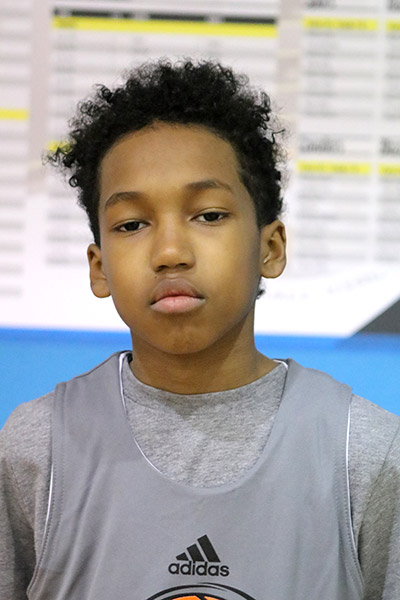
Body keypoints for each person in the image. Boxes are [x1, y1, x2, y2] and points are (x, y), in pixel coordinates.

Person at [0, 59, 399, 600]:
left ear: (270, 248)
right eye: (131, 224)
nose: (170, 251)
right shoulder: (36, 448)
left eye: (208, 215)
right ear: (99, 267)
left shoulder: (367, 453)